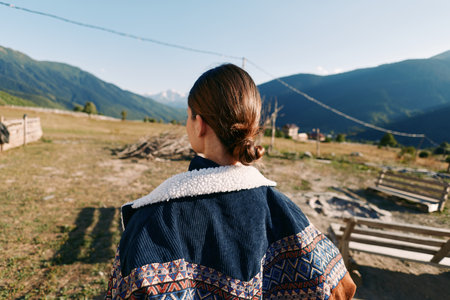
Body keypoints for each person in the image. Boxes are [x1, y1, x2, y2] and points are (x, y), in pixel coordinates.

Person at [106, 64, 356, 299]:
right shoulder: (283, 211)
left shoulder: (155, 222)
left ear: (199, 124)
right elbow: (338, 287)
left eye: (188, 116)